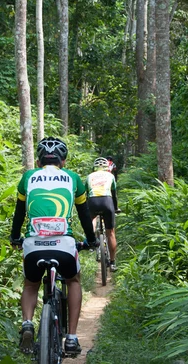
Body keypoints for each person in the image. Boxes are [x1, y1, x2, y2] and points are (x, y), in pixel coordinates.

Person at [10, 137, 98, 356]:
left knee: (31, 284)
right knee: (73, 280)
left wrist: (14, 237)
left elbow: (19, 212)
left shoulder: (28, 177)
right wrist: (92, 239)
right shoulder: (73, 178)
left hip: (33, 246)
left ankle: (28, 324)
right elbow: (85, 213)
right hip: (64, 246)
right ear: (63, 161)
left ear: (39, 161)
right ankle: (72, 338)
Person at [86, 157, 119, 271]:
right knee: (110, 233)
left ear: (94, 168)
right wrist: (115, 208)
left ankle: (91, 240)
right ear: (107, 167)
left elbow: (86, 194)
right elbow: (114, 194)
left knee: (92, 218)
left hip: (93, 201)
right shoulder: (110, 176)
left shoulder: (89, 176)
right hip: (107, 201)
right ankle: (113, 262)